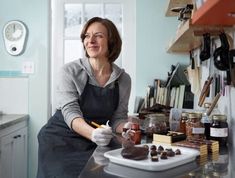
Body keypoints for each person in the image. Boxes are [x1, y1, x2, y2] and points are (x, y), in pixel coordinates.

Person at [37, 17, 131, 178]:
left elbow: (118, 118)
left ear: (112, 41)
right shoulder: (69, 71)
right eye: (87, 36)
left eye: (98, 36)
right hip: (60, 140)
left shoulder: (123, 79)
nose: (91, 41)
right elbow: (70, 112)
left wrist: (127, 126)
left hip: (93, 141)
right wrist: (93, 134)